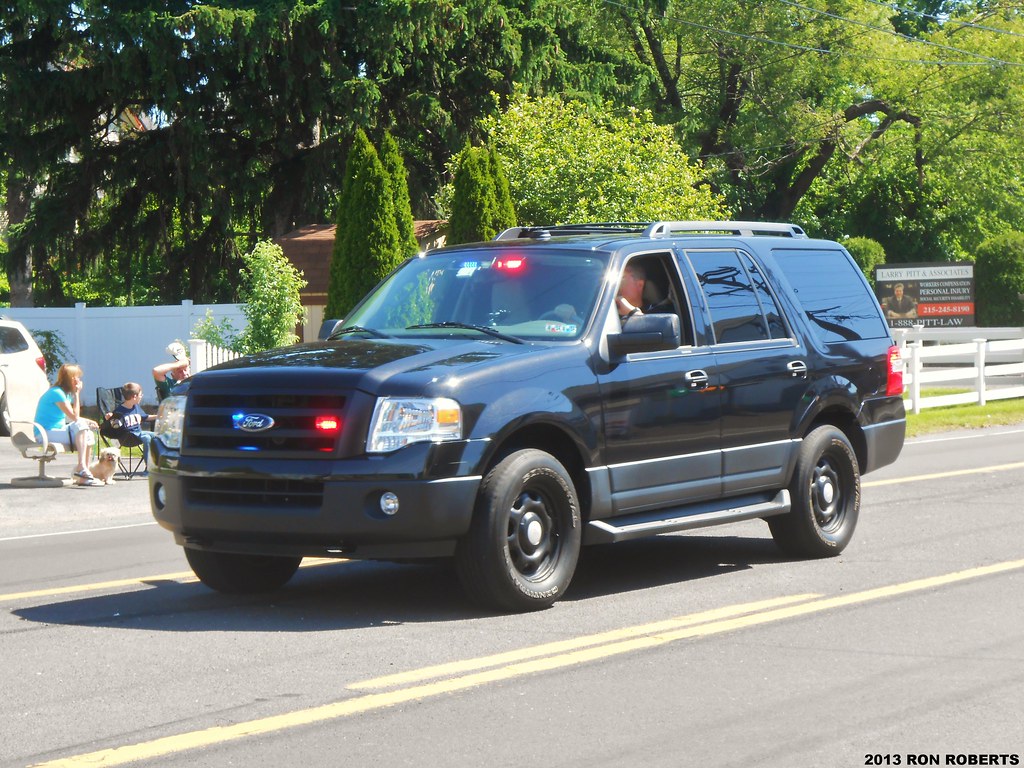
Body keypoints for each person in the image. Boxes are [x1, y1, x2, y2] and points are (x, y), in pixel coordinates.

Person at [34, 363, 102, 486]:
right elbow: (75, 417)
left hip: (57, 430)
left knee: (89, 435)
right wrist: (77, 394)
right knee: (81, 425)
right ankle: (81, 467)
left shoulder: (64, 394)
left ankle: (84, 475)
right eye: (78, 377)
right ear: (72, 379)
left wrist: (88, 421)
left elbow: (73, 417)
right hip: (44, 433)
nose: (80, 380)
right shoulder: (57, 393)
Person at [105, 381, 156, 475]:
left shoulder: (136, 407)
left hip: (138, 434)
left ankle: (159, 465)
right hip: (127, 438)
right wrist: (109, 418)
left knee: (158, 436)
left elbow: (146, 417)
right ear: (134, 396)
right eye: (140, 395)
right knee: (147, 438)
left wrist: (159, 416)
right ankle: (148, 469)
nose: (141, 396)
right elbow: (113, 425)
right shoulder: (119, 411)